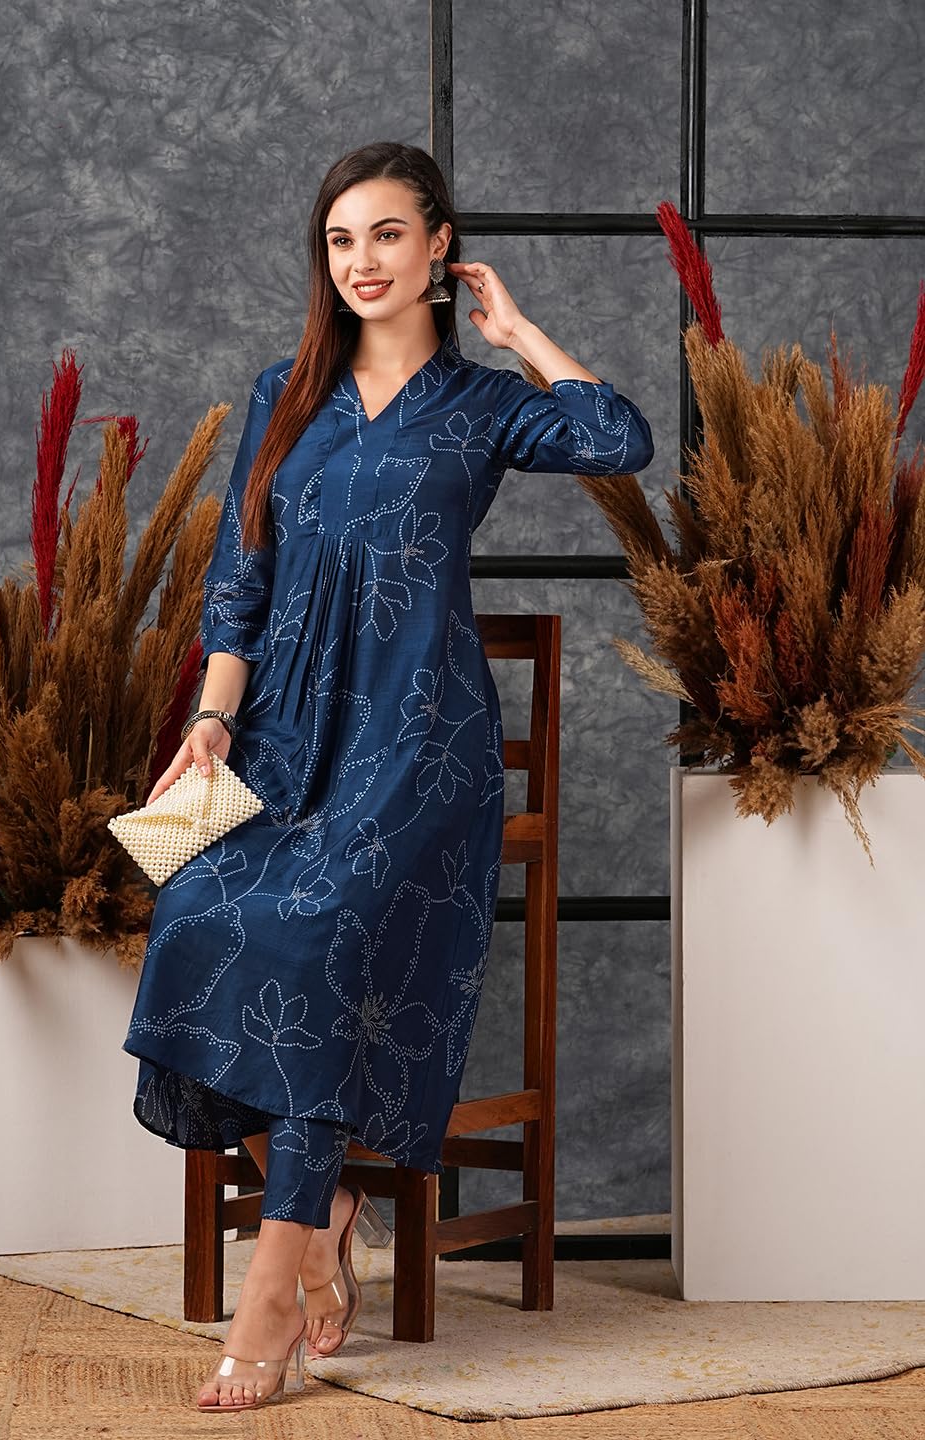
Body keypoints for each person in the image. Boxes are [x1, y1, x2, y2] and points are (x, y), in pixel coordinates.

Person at [123, 139, 654, 1412]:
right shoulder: (285, 393)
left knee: (314, 939)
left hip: (420, 743)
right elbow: (239, 575)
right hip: (281, 738)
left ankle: (272, 1288)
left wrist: (518, 332)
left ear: (438, 247)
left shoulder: (482, 405)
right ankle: (325, 1222)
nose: (361, 262)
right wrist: (212, 719)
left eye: (387, 235)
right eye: (340, 240)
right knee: (195, 913)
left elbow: (617, 438)